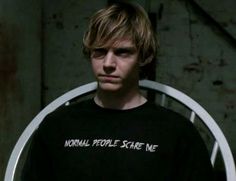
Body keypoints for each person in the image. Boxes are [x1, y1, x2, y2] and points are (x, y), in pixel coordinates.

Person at [22, 2, 214, 181]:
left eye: (122, 52)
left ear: (144, 56)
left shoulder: (177, 132)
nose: (108, 64)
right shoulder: (56, 125)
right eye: (99, 51)